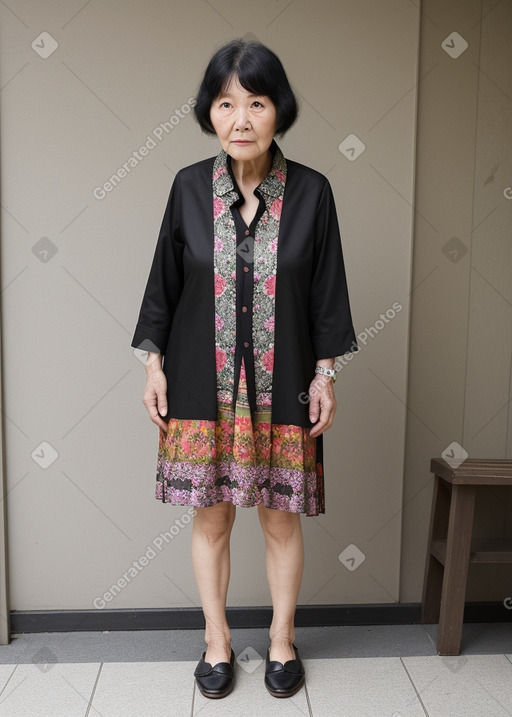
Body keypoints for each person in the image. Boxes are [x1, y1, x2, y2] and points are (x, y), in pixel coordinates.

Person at [131, 38, 357, 700]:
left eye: (255, 103)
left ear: (277, 110)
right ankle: (217, 642)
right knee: (212, 518)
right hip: (202, 385)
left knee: (281, 519)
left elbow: (328, 296)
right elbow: (162, 289)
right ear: (210, 113)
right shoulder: (187, 190)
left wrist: (325, 375)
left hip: (283, 384)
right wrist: (153, 365)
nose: (241, 119)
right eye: (226, 104)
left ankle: (283, 640)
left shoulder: (314, 194)